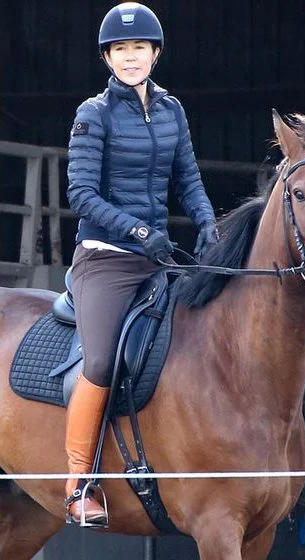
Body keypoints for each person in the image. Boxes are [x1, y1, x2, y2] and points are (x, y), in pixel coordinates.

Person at [64, 1, 218, 526]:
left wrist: (207, 223)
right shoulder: (94, 114)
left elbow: (188, 180)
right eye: (121, 49)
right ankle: (79, 481)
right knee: (102, 361)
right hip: (106, 260)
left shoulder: (173, 111)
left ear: (155, 53)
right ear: (108, 57)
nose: (131, 58)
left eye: (140, 48)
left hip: (156, 259)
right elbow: (81, 194)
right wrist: (137, 231)